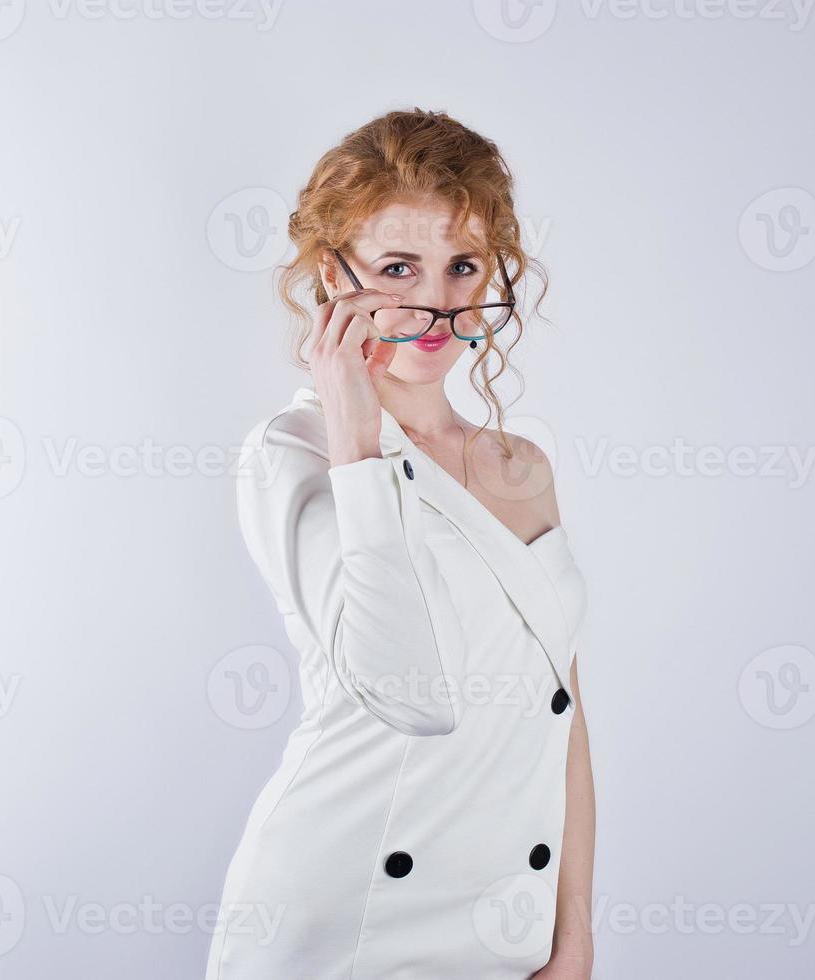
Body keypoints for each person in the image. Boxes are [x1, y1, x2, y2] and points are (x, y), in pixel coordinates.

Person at [207, 108, 595, 980]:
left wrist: (571, 937)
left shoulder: (520, 462)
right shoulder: (293, 455)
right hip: (347, 916)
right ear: (329, 273)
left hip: (506, 918)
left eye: (462, 266)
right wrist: (356, 442)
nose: (435, 304)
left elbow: (560, 716)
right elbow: (410, 693)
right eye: (395, 269)